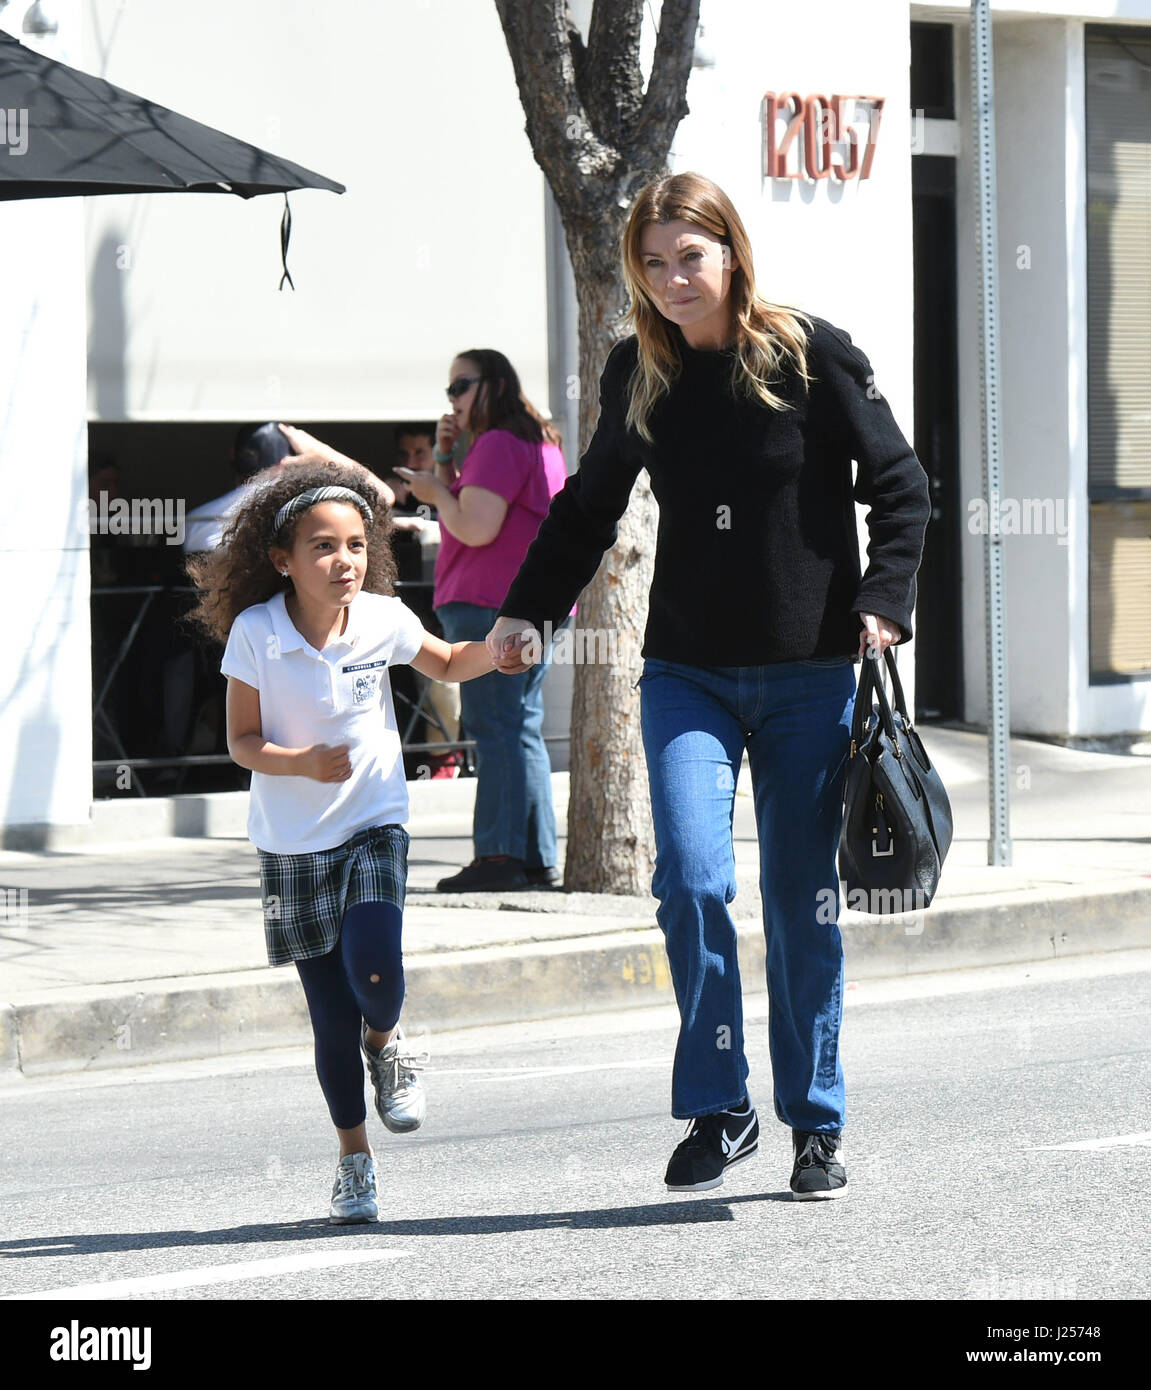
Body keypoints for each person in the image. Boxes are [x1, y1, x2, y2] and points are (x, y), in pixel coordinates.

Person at [487, 172, 931, 1200]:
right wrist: (525, 610)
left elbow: (900, 485)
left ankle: (815, 1124)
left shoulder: (808, 354)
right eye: (652, 261)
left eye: (689, 255)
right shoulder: (637, 371)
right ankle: (719, 1103)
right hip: (684, 670)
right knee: (688, 879)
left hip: (809, 674)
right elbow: (587, 507)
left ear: (730, 251)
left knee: (797, 900)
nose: (671, 277)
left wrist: (883, 600)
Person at [186, 460, 495, 1224]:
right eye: (322, 547)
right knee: (329, 1018)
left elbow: (452, 661)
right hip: (291, 842)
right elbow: (242, 741)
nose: (343, 561)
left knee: (376, 967)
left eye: (356, 545)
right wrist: (300, 763)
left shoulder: (384, 619)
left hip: (372, 824)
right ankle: (355, 1160)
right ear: (281, 560)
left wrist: (507, 648)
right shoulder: (257, 633)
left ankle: (386, 1044)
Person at [401, 351, 569, 892]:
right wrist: (448, 460)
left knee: (495, 729)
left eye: (460, 387)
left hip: (489, 607)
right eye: (449, 390)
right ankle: (534, 858)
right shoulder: (537, 441)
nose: (452, 400)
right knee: (520, 729)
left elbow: (473, 527)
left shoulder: (498, 443)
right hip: (528, 607)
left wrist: (431, 489)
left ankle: (498, 858)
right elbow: (477, 510)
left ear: (493, 386)